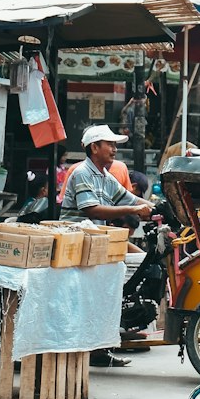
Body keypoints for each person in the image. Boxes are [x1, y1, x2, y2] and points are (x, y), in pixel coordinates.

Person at [60, 125, 154, 368]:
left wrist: (159, 207)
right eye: (109, 144)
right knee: (93, 297)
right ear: (94, 147)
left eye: (114, 145)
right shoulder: (82, 173)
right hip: (76, 245)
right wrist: (133, 210)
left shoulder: (104, 175)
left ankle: (99, 350)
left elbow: (131, 199)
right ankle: (90, 349)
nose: (114, 149)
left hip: (95, 245)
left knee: (105, 296)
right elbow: (91, 209)